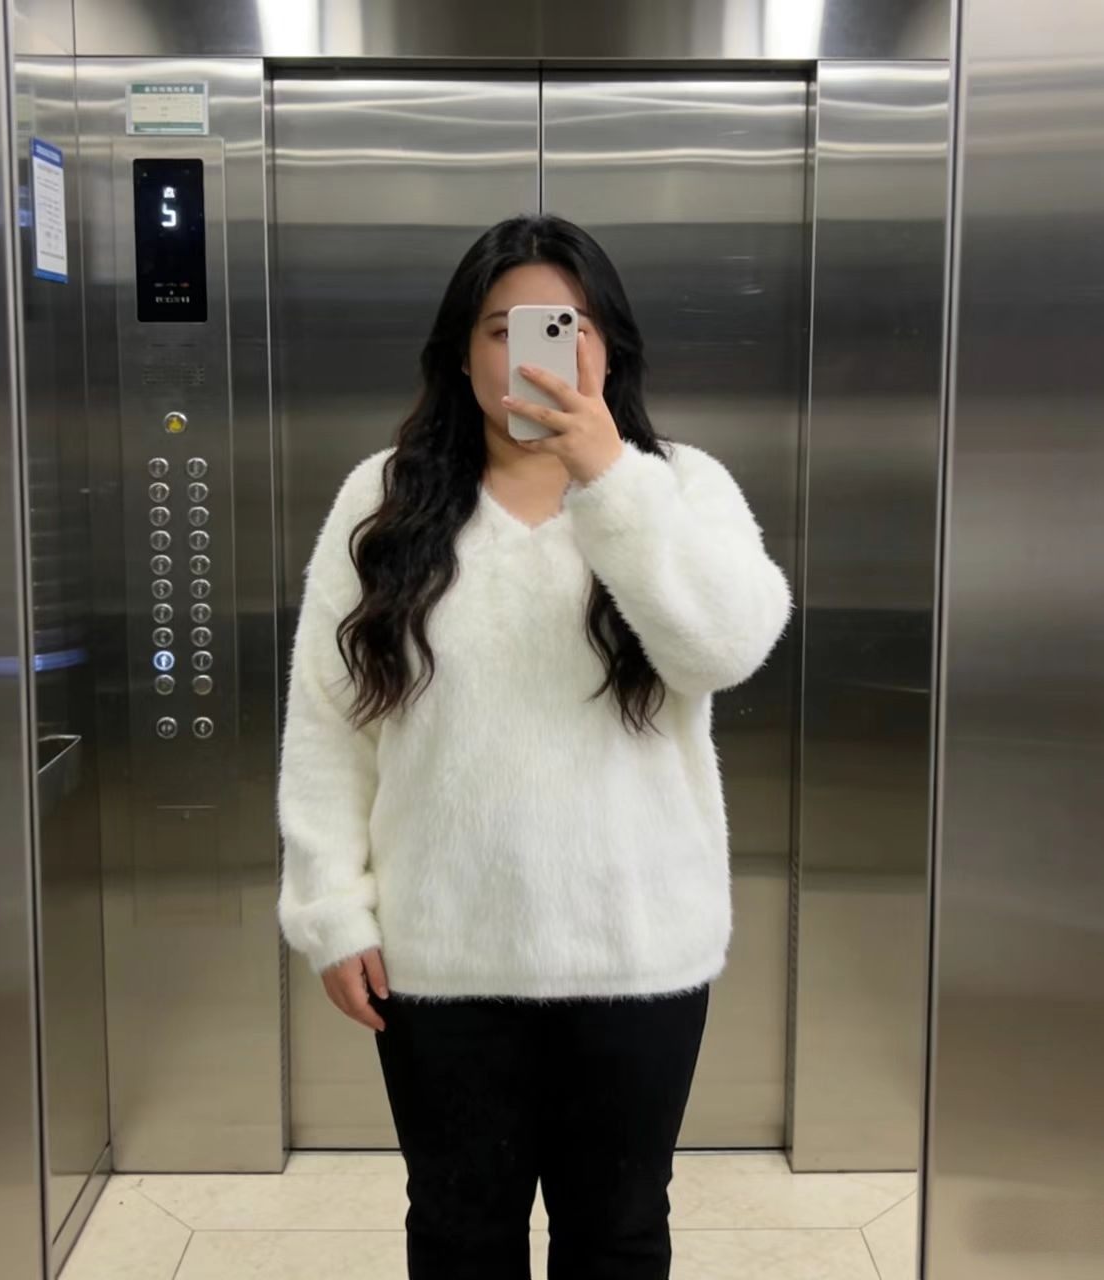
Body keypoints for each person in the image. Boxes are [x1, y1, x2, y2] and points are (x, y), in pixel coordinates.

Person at [276, 213, 793, 1279]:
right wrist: (331, 906)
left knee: (617, 1234)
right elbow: (329, 718)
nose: (538, 350)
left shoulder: (680, 485)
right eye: (503, 327)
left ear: (608, 345)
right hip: (439, 953)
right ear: (462, 352)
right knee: (458, 1233)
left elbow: (725, 648)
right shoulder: (384, 499)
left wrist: (606, 476)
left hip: (636, 950)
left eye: (569, 325)